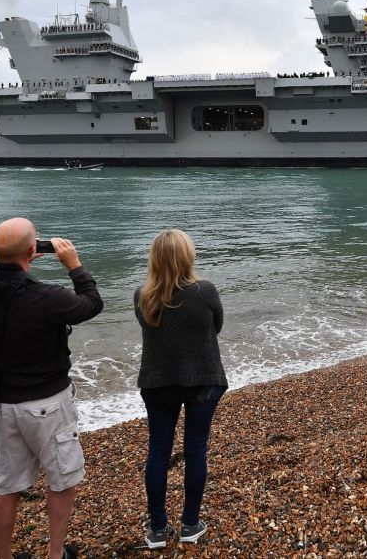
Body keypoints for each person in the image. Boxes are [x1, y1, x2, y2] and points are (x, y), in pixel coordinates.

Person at [0, 218, 103, 559]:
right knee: (61, 481)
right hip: (49, 403)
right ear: (32, 250)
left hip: (4, 405)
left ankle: (3, 556)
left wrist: (19, 264)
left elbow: (7, 296)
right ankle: (55, 554)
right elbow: (91, 303)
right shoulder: (47, 298)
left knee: (6, 487)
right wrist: (75, 266)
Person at [134, 229, 227, 549]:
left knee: (158, 453)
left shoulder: (143, 295)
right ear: (188, 256)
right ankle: (190, 524)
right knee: (195, 449)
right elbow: (217, 326)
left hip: (159, 382)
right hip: (202, 378)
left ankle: (158, 529)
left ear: (154, 258)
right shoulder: (205, 291)